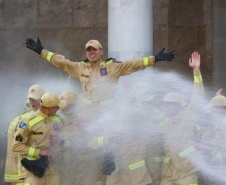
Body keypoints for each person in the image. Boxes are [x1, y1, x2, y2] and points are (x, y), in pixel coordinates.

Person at [25, 38, 175, 106]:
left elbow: (133, 64)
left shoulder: (112, 67)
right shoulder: (80, 67)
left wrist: (154, 59)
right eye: (88, 50)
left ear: (101, 51)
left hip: (107, 113)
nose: (91, 52)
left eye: (94, 49)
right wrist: (42, 51)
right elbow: (62, 62)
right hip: (87, 112)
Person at [160, 51, 204, 185]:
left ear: (178, 105)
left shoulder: (187, 115)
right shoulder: (163, 122)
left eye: (170, 104)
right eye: (165, 104)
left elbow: (198, 96)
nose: (167, 107)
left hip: (187, 171)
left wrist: (196, 71)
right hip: (168, 173)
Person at [12, 93, 64, 185]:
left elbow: (66, 142)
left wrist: (60, 141)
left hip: (54, 170)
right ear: (50, 108)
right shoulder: (27, 121)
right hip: (34, 172)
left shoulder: (58, 120)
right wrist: (40, 152)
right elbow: (16, 146)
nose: (58, 109)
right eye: (57, 107)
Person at [4, 84, 44, 185]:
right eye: (30, 99)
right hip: (24, 174)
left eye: (34, 99)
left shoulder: (18, 119)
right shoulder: (30, 120)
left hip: (13, 173)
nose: (31, 102)